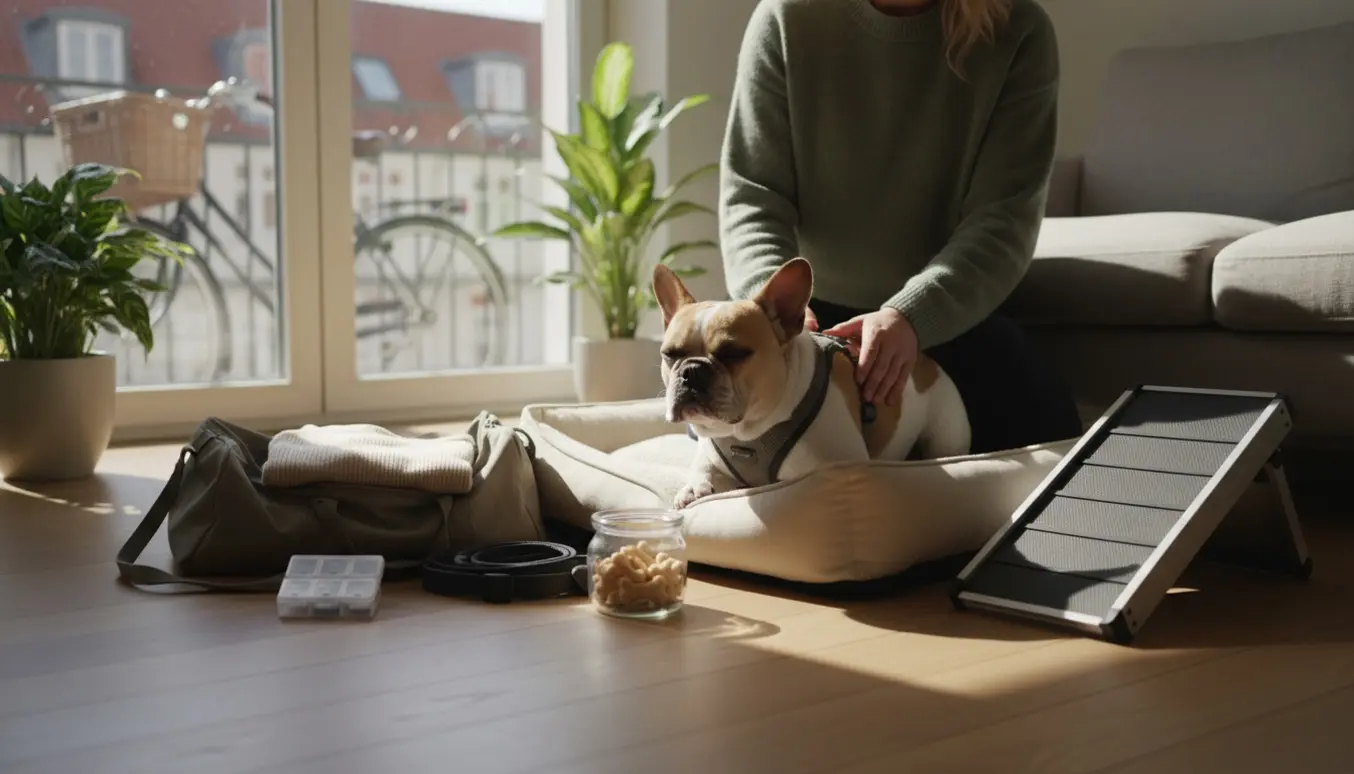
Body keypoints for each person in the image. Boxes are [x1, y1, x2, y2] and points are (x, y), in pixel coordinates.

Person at [719, 0, 1085, 454]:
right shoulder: (787, 17)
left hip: (947, 320)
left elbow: (1003, 220)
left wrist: (911, 318)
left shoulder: (1018, 30)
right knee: (732, 442)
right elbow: (754, 194)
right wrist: (775, 314)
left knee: (1057, 448)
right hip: (810, 324)